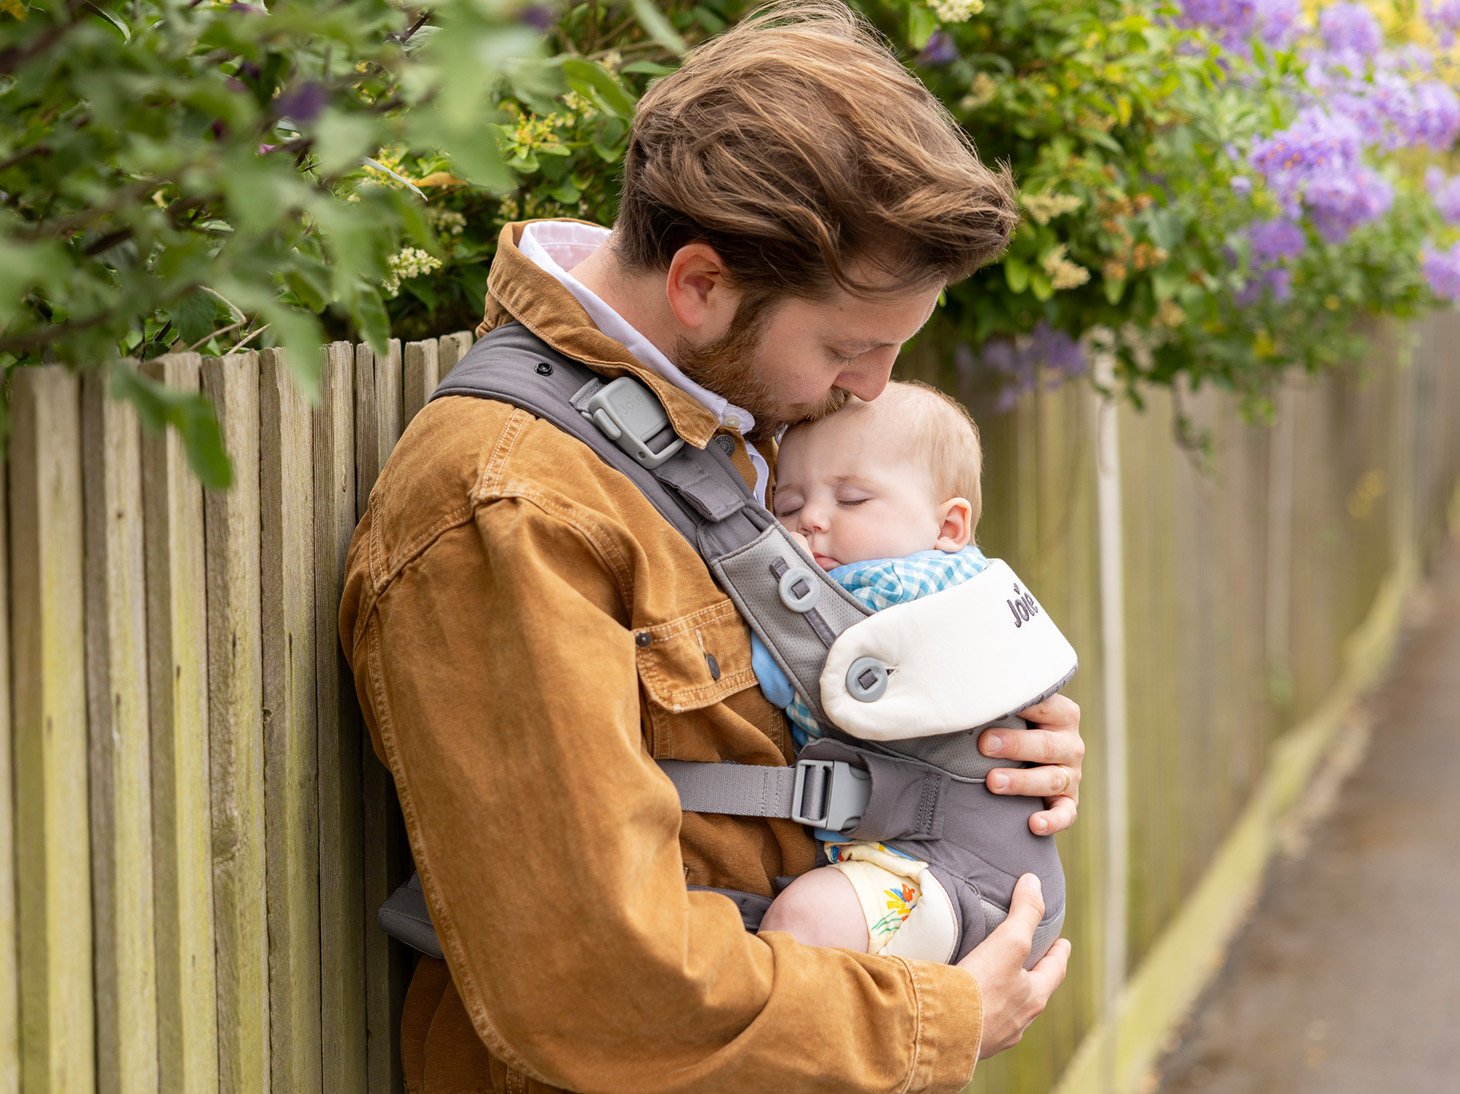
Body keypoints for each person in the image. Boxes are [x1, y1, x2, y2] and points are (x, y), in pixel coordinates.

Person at [339, 3, 1085, 1091]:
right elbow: (593, 978)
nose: (871, 388)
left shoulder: (729, 431)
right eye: (848, 346)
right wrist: (935, 1020)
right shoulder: (514, 505)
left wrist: (968, 755)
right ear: (698, 285)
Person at [753, 382, 1066, 963]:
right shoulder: (983, 587)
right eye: (789, 505)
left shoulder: (883, 594)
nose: (811, 521)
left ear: (948, 528)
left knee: (801, 926)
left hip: (941, 872)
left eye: (850, 500)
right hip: (999, 871)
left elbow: (786, 679)